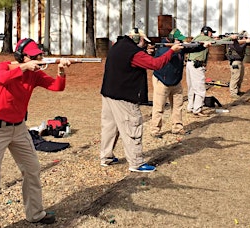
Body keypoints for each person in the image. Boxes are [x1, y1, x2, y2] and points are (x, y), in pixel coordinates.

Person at [0, 38, 71, 228]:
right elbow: (2, 78)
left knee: (32, 169)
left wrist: (61, 70)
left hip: (19, 129)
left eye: (39, 56)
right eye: (34, 56)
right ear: (22, 57)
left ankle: (35, 213)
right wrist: (25, 67)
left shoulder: (35, 74)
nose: (39, 59)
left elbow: (57, 87)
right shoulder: (4, 66)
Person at [99, 28, 183, 172]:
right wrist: (172, 51)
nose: (145, 44)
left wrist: (145, 53)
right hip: (123, 97)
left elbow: (131, 61)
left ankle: (106, 157)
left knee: (109, 128)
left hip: (109, 94)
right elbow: (155, 64)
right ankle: (136, 163)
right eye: (144, 41)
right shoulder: (133, 52)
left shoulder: (118, 46)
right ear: (137, 39)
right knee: (133, 126)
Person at [151, 28, 211, 137]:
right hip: (162, 81)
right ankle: (155, 130)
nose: (181, 42)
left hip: (176, 81)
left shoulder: (179, 47)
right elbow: (165, 56)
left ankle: (177, 127)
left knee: (178, 106)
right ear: (172, 40)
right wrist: (173, 50)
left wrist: (202, 46)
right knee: (159, 107)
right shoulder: (162, 48)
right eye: (179, 40)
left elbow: (191, 49)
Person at [185, 26, 236, 117]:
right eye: (210, 33)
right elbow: (218, 43)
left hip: (190, 64)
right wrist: (230, 38)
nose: (211, 34)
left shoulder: (197, 37)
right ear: (207, 32)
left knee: (192, 87)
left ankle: (191, 107)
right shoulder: (205, 38)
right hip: (197, 65)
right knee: (200, 89)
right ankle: (197, 109)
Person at [226, 31, 250, 99]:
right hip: (235, 62)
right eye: (244, 37)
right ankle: (233, 93)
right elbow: (239, 49)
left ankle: (237, 91)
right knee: (235, 78)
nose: (245, 38)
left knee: (240, 78)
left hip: (239, 61)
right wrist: (246, 42)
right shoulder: (233, 42)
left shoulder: (239, 42)